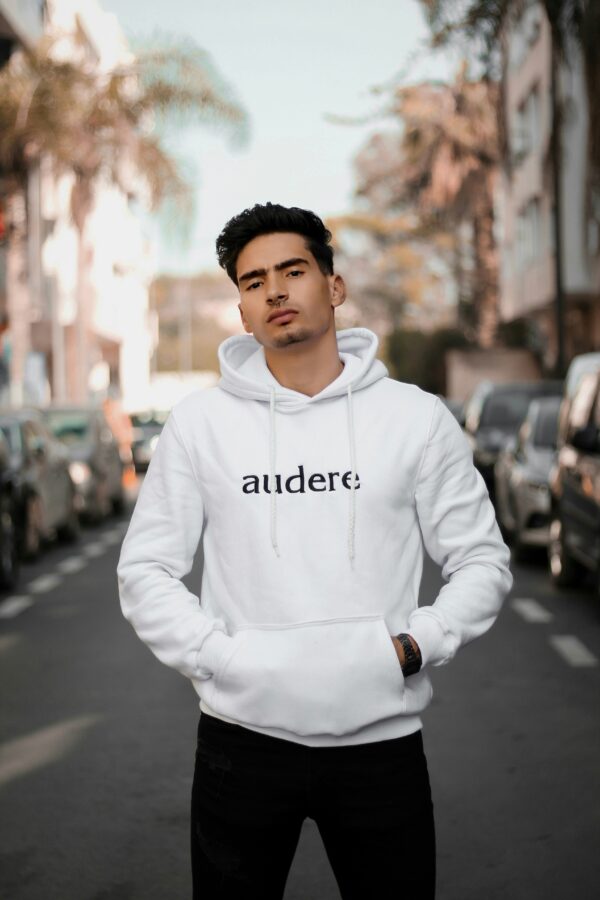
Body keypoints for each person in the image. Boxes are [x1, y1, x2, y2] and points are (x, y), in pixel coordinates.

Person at [117, 202, 513, 900]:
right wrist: (220, 659)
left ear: (333, 285)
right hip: (242, 738)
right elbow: (146, 569)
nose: (274, 291)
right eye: (252, 280)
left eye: (293, 270)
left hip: (378, 740)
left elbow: (481, 560)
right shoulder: (199, 425)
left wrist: (416, 646)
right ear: (240, 310)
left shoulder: (414, 419)